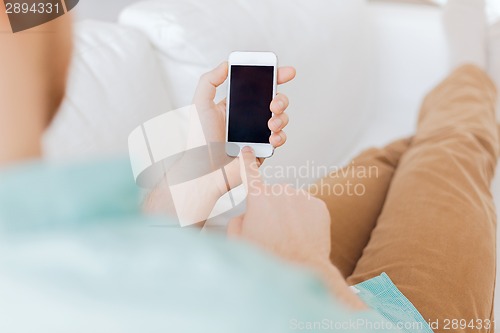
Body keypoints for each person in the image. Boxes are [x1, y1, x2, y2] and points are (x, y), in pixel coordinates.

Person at [0, 2, 498, 333]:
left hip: (264, 271)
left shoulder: (40, 241)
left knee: (393, 160)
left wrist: (193, 183)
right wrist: (307, 265)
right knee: (457, 144)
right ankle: (470, 71)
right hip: (378, 318)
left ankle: (433, 124)